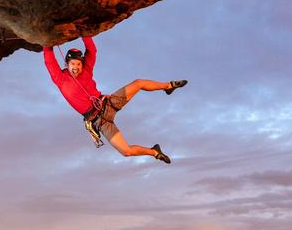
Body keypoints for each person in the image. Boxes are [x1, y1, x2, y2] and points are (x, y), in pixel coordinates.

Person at [43, 36, 187, 164]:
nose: (76, 67)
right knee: (126, 151)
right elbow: (48, 56)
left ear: (82, 64)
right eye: (72, 64)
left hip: (107, 103)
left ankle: (169, 86)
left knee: (138, 83)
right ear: (67, 64)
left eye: (78, 64)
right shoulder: (59, 78)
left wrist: (83, 32)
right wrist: (46, 39)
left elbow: (91, 50)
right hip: (99, 121)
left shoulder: (86, 69)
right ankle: (155, 152)